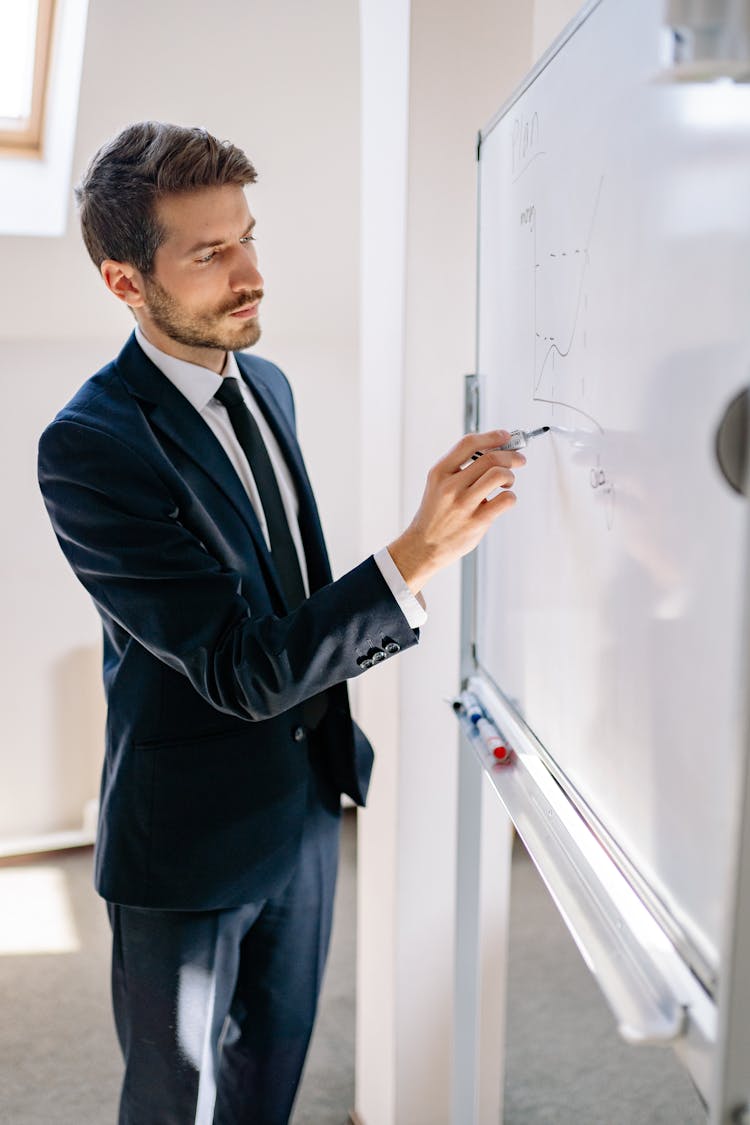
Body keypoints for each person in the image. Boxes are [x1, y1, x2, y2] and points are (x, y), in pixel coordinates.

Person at [37, 121, 524, 1125]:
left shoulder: (269, 384)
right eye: (211, 253)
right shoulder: (88, 448)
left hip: (304, 806)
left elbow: (288, 604)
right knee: (178, 1101)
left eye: (248, 236)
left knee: (270, 1082)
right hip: (185, 845)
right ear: (126, 282)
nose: (250, 272)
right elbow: (238, 666)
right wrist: (417, 555)